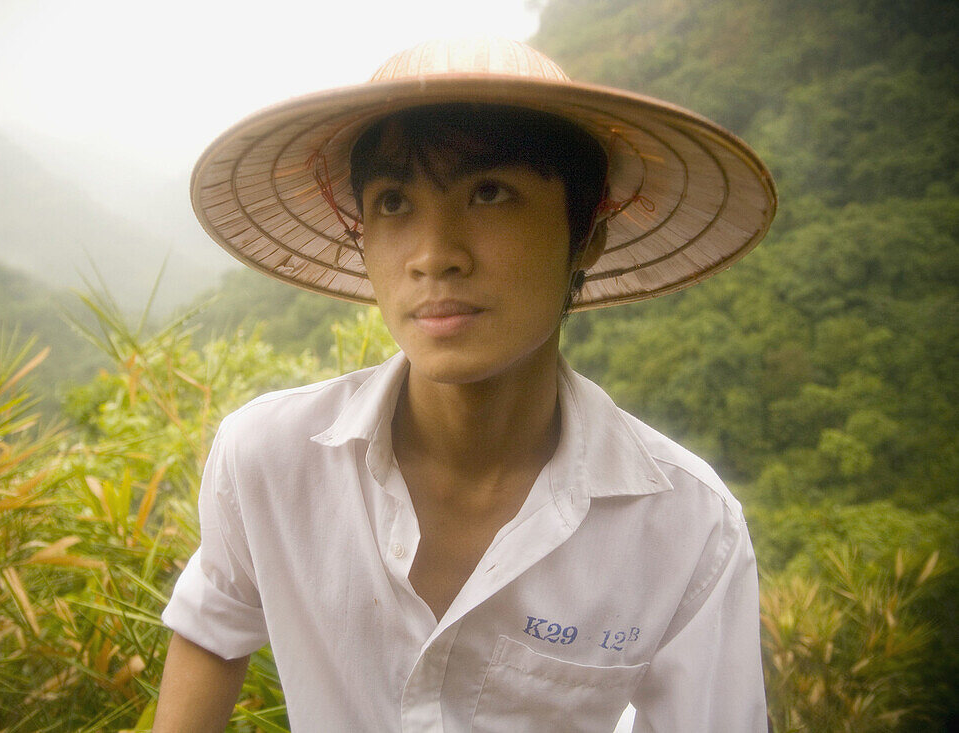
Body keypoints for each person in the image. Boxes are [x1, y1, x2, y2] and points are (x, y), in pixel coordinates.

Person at [155, 38, 777, 732]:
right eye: (394, 201)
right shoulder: (269, 459)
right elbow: (213, 630)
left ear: (588, 232)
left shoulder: (687, 528)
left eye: (490, 192)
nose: (434, 255)